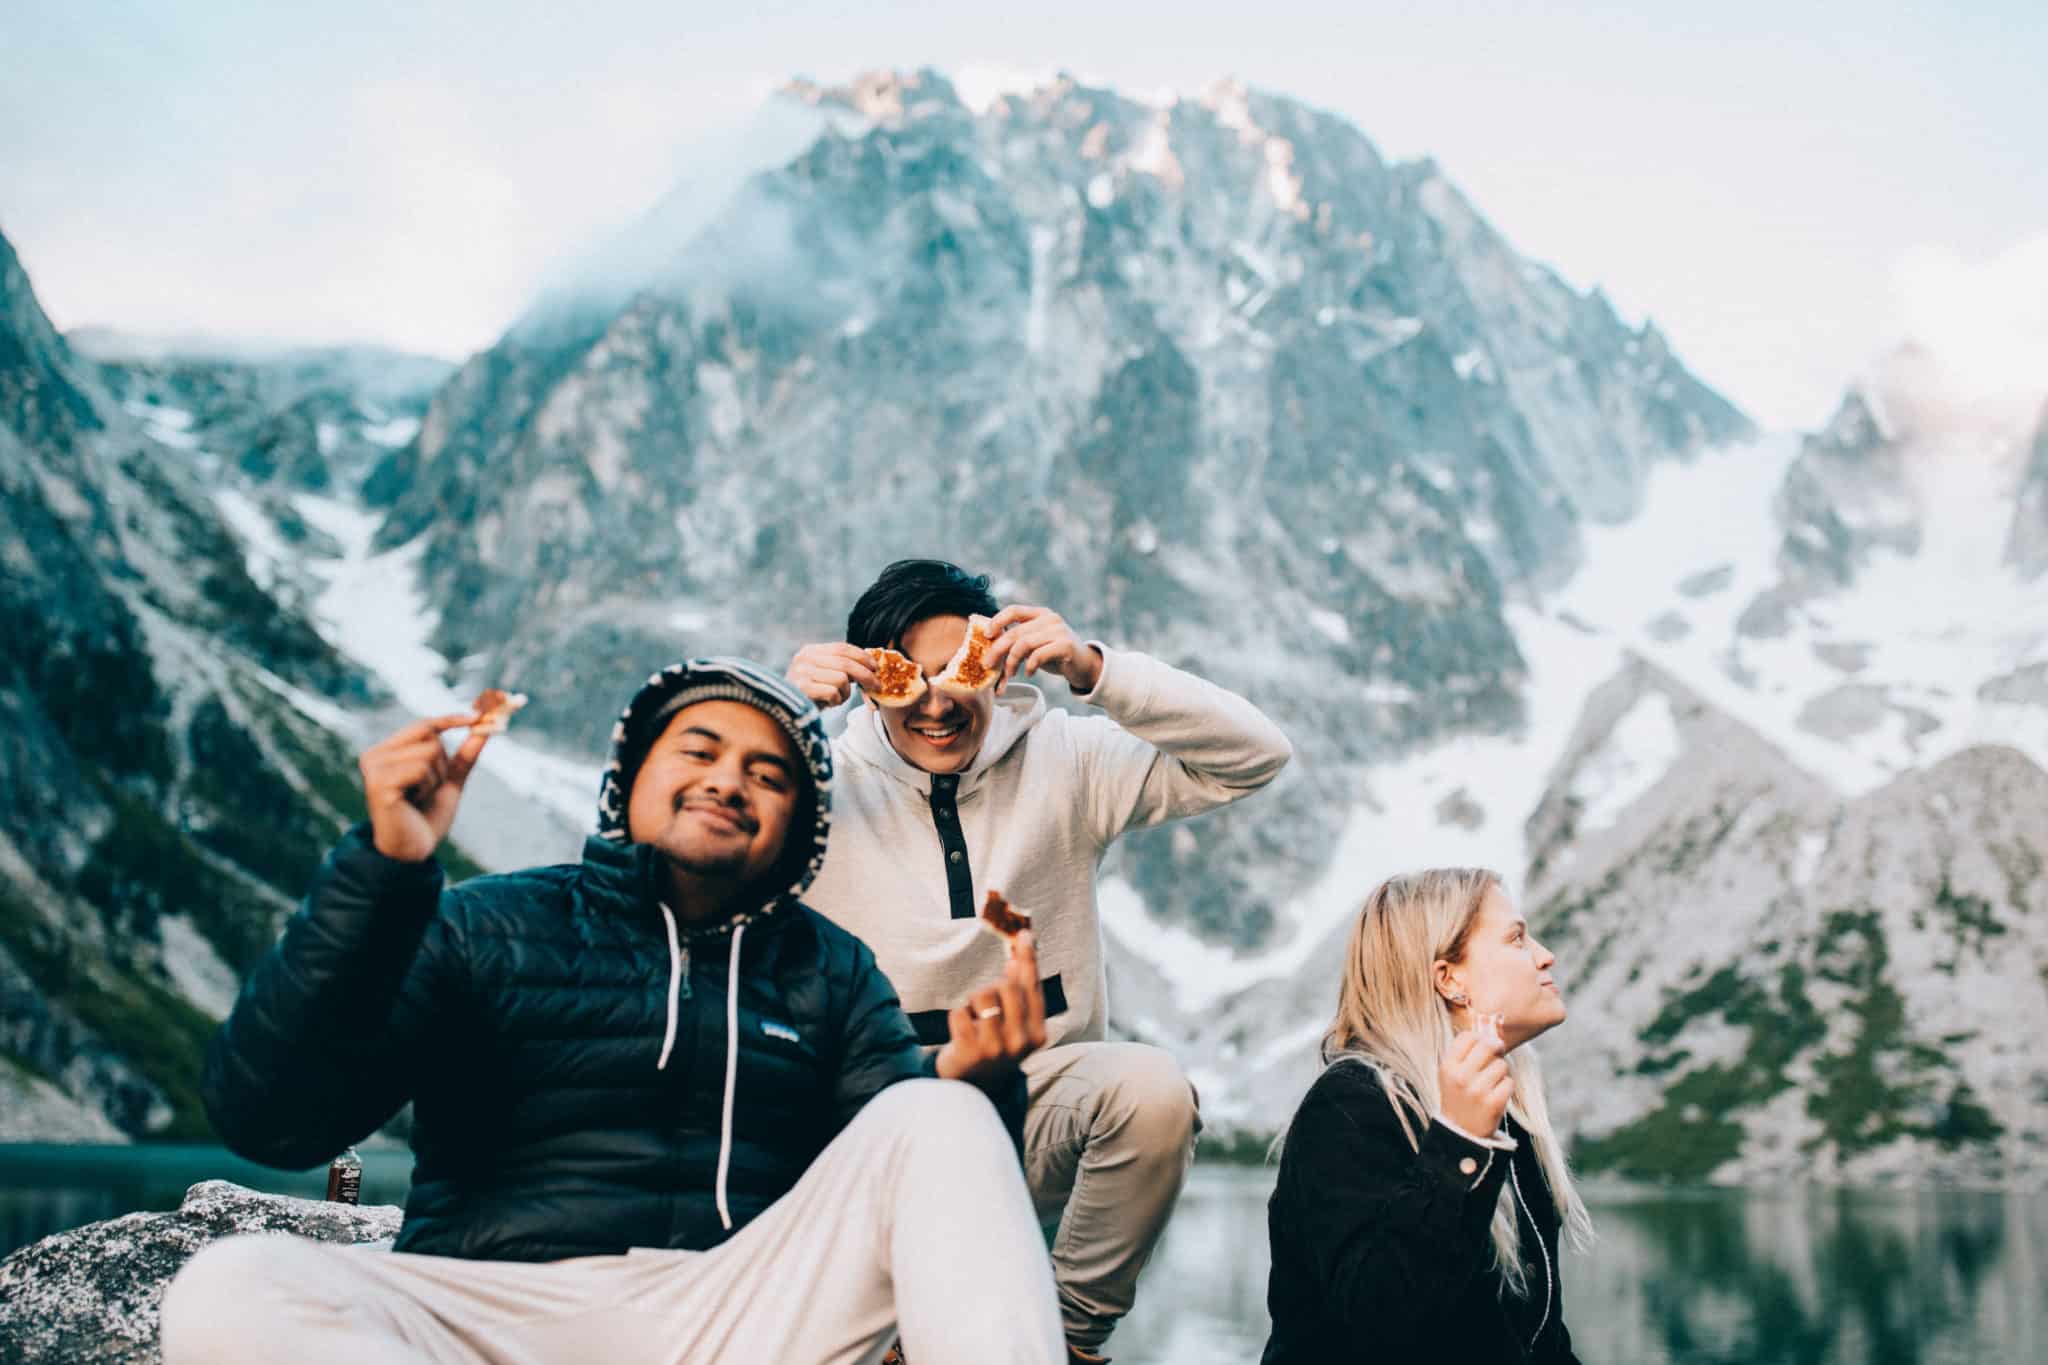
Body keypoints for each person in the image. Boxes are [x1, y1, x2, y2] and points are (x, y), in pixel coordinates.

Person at [160, 658, 1066, 1365]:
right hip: (489, 1313)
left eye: (768, 774)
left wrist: (980, 1082)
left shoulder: (831, 970)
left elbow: (911, 1200)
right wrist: (385, 870)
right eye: (699, 751)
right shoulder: (487, 922)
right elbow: (269, 1118)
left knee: (937, 1110)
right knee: (232, 1283)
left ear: (802, 826)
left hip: (735, 1318)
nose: (727, 781)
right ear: (629, 778)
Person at [786, 560, 1293, 1362]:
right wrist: (781, 713)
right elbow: (669, 858)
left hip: (1031, 1110)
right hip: (868, 1128)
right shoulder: (816, 782)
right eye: (903, 677)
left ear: (1000, 663)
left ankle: (1065, 1338)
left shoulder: (1068, 760)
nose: (936, 699)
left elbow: (1256, 754)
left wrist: (1094, 669)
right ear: (864, 680)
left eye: (961, 669)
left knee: (1153, 1089)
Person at [1261, 868, 1594, 1364]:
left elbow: (1540, 1335)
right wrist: (1459, 1144)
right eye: (1517, 938)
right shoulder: (1349, 1107)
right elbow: (1383, 1321)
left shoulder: (1510, 1114)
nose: (1546, 956)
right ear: (1449, 978)